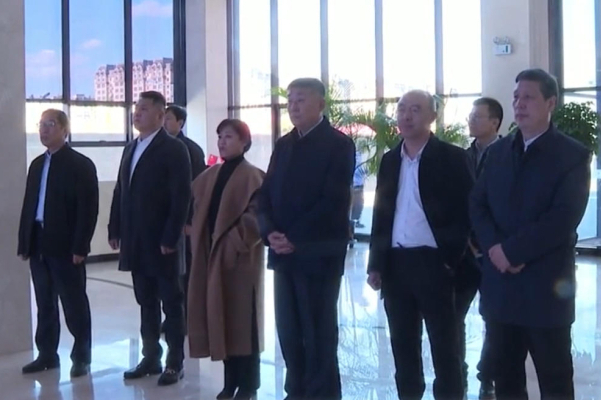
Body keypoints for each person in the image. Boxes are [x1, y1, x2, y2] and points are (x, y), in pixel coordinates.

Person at [470, 69, 591, 400]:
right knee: (507, 381)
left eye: (528, 97)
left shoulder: (572, 155)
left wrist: (512, 252)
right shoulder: (497, 152)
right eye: (516, 97)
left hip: (545, 288)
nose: (519, 104)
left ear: (550, 103)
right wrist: (495, 249)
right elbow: (477, 205)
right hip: (500, 289)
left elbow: (563, 218)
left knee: (555, 382)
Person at [367, 90, 473, 400]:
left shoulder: (453, 157)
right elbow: (381, 214)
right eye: (402, 109)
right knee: (402, 346)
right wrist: (376, 264)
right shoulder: (390, 160)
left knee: (445, 348)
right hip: (397, 265)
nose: (406, 115)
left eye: (415, 109)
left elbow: (468, 211)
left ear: (432, 116)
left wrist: (452, 259)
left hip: (437, 263)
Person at [257, 78, 355, 400]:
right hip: (282, 251)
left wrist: (293, 237)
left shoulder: (339, 144)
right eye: (290, 100)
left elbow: (333, 200)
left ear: (321, 104)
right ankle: (295, 390)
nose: (293, 106)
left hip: (318, 252)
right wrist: (269, 231)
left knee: (317, 330)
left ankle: (322, 393)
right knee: (288, 328)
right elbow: (265, 194)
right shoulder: (284, 144)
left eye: (301, 100)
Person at [108, 91, 191, 386]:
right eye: (136, 108)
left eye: (144, 109)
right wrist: (115, 228)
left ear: (159, 114)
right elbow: (121, 190)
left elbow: (181, 196)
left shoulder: (173, 149)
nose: (137, 113)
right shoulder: (131, 147)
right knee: (145, 301)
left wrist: (171, 236)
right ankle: (150, 357)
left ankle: (175, 362)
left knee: (171, 302)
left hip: (162, 241)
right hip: (136, 239)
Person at [18, 109, 99, 378]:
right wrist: (25, 242)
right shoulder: (37, 165)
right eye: (41, 125)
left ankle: (82, 357)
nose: (44, 130)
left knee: (74, 303)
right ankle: (47, 355)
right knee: (44, 302)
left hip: (66, 245)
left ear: (65, 129)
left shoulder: (80, 165)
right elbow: (29, 206)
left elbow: (88, 210)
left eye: (50, 124)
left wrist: (80, 246)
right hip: (39, 241)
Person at [187, 119, 265, 400]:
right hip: (211, 259)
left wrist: (232, 243)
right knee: (222, 321)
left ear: (244, 142)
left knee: (244, 323)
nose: (222, 141)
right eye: (220, 136)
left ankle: (249, 385)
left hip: (240, 262)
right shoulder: (210, 176)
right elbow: (195, 211)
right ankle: (230, 382)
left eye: (229, 137)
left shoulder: (254, 176)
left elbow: (257, 218)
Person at [460, 96, 504, 399]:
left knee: (493, 317)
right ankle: (457, 370)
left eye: (478, 116)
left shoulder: (508, 155)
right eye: (470, 116)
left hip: (494, 249)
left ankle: (487, 375)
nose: (471, 121)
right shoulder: (461, 157)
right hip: (463, 249)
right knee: (454, 314)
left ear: (494, 122)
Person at [163, 104, 207, 332]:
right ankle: (172, 317)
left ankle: (189, 317)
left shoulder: (191, 150)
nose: (164, 123)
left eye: (168, 119)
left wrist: (190, 221)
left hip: (185, 223)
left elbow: (196, 190)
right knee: (169, 275)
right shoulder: (159, 148)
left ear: (180, 123)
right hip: (166, 222)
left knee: (187, 272)